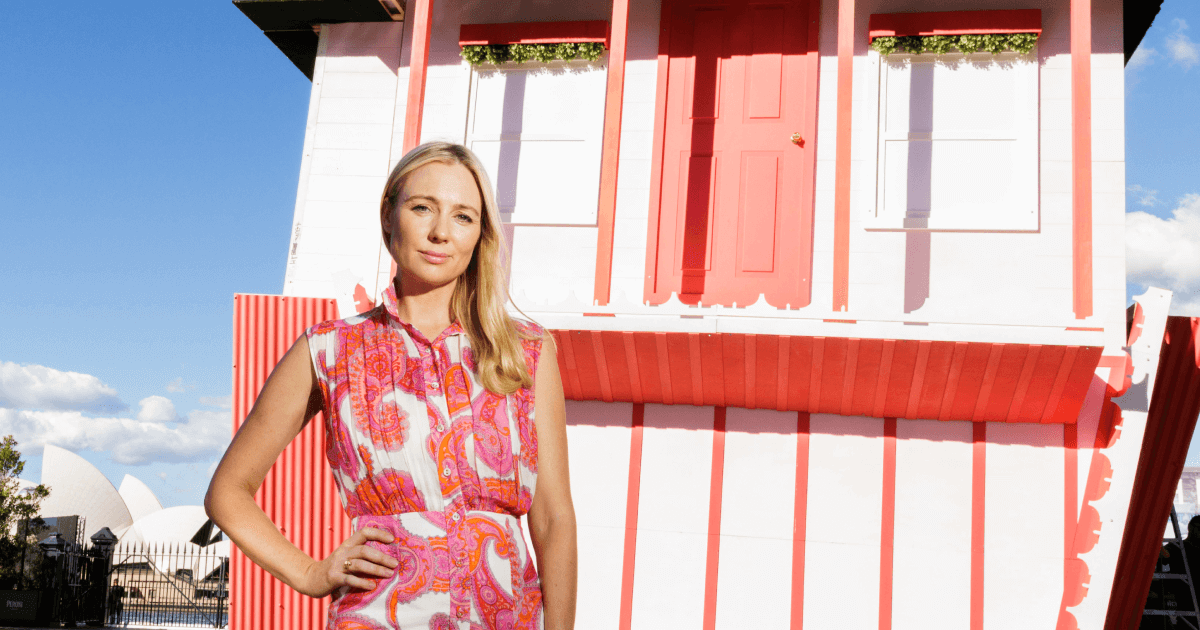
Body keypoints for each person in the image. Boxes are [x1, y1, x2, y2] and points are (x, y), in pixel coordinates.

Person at [205, 142, 577, 630]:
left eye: (463, 217)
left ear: (480, 234)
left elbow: (552, 519)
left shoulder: (525, 351)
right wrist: (311, 573)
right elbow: (227, 492)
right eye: (422, 208)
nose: (441, 232)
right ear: (388, 217)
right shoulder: (329, 350)